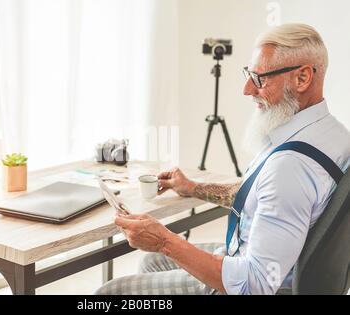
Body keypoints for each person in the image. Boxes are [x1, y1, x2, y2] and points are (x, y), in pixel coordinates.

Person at [95, 23, 350, 295]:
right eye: (248, 74)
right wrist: (192, 188)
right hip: (281, 265)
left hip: (256, 283)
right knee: (151, 262)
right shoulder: (332, 135)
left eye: (260, 79)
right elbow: (262, 197)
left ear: (302, 78)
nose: (247, 89)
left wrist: (163, 240)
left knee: (113, 292)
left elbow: (254, 285)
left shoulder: (289, 167)